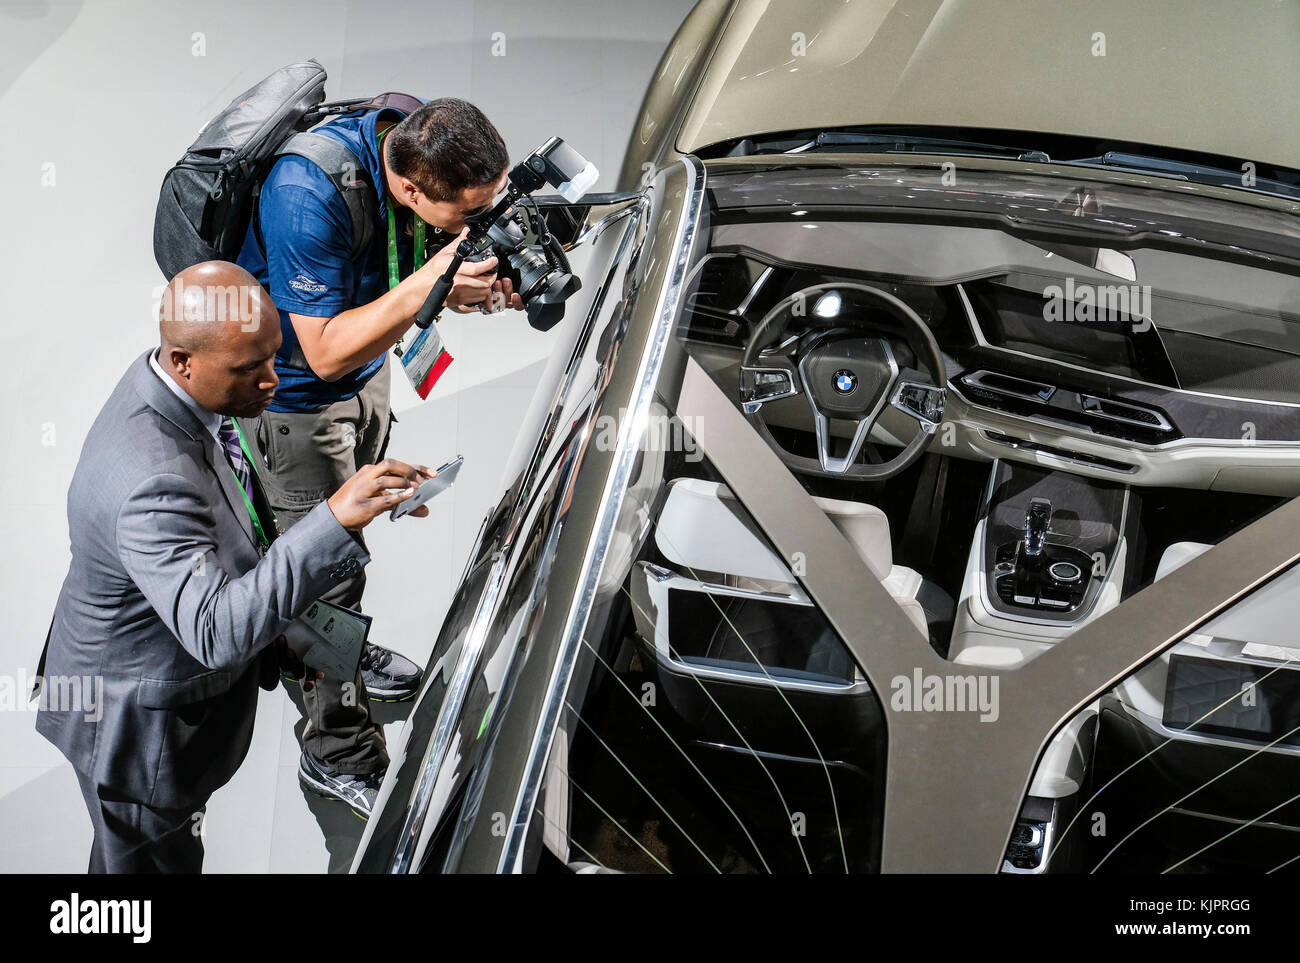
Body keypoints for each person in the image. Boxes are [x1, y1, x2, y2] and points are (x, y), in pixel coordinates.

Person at [34, 262, 433, 872]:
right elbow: (216, 631)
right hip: (139, 734)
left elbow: (226, 525)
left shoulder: (170, 388)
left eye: (273, 357)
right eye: (250, 369)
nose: (272, 382)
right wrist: (333, 520)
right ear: (182, 362)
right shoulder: (152, 479)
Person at [235, 96, 521, 817]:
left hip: (371, 378)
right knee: (325, 584)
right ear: (413, 189)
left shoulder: (410, 136)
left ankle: (352, 658)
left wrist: (469, 288)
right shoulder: (305, 192)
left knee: (349, 551)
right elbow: (325, 353)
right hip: (297, 404)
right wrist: (436, 279)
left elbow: (412, 270)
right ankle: (335, 748)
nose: (477, 228)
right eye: (467, 215)